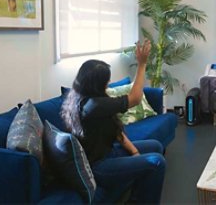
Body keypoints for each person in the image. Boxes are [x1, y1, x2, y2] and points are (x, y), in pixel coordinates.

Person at [61, 40, 166, 204]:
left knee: (156, 146)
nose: (108, 83)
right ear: (97, 84)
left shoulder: (83, 97)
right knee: (157, 161)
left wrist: (135, 153)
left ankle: (137, 198)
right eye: (106, 81)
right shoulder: (94, 106)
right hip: (98, 167)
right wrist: (142, 64)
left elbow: (116, 131)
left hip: (109, 152)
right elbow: (135, 98)